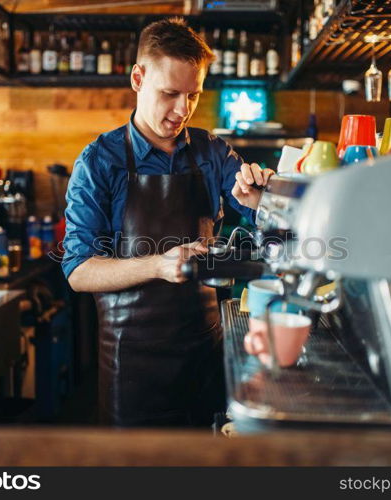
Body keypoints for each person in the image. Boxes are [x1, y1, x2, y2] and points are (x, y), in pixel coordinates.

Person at [62, 17, 274, 427]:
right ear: (138, 78)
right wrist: (158, 265)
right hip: (132, 370)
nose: (182, 110)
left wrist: (261, 199)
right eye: (170, 93)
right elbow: (78, 270)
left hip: (204, 356)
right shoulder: (98, 162)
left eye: (192, 95)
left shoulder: (213, 153)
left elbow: (268, 222)